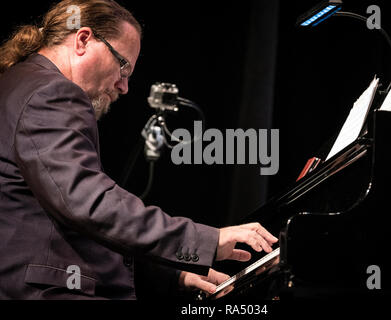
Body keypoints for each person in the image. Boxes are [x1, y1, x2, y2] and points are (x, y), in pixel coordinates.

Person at [0, 0, 277, 300]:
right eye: (123, 66)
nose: (124, 86)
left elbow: (65, 223)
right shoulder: (51, 92)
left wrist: (173, 272)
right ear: (83, 40)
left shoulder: (19, 83)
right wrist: (206, 241)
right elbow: (88, 203)